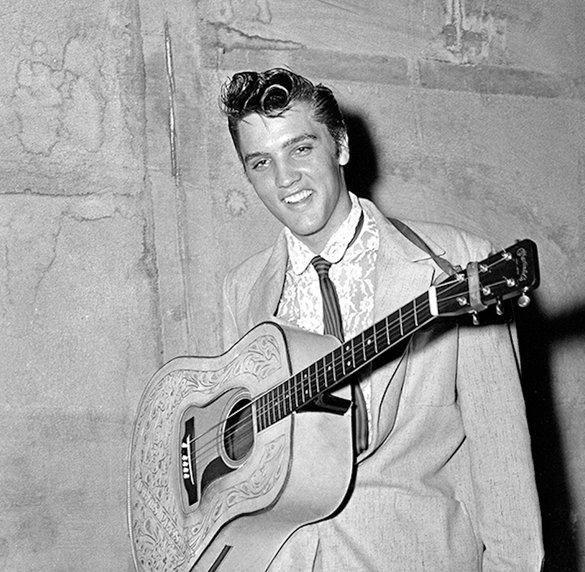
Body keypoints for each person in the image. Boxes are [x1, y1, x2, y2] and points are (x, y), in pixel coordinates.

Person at [218, 68, 543, 571]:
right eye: (261, 162)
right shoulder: (242, 291)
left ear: (341, 146)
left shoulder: (455, 263)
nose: (285, 180)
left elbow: (503, 466)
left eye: (300, 149)